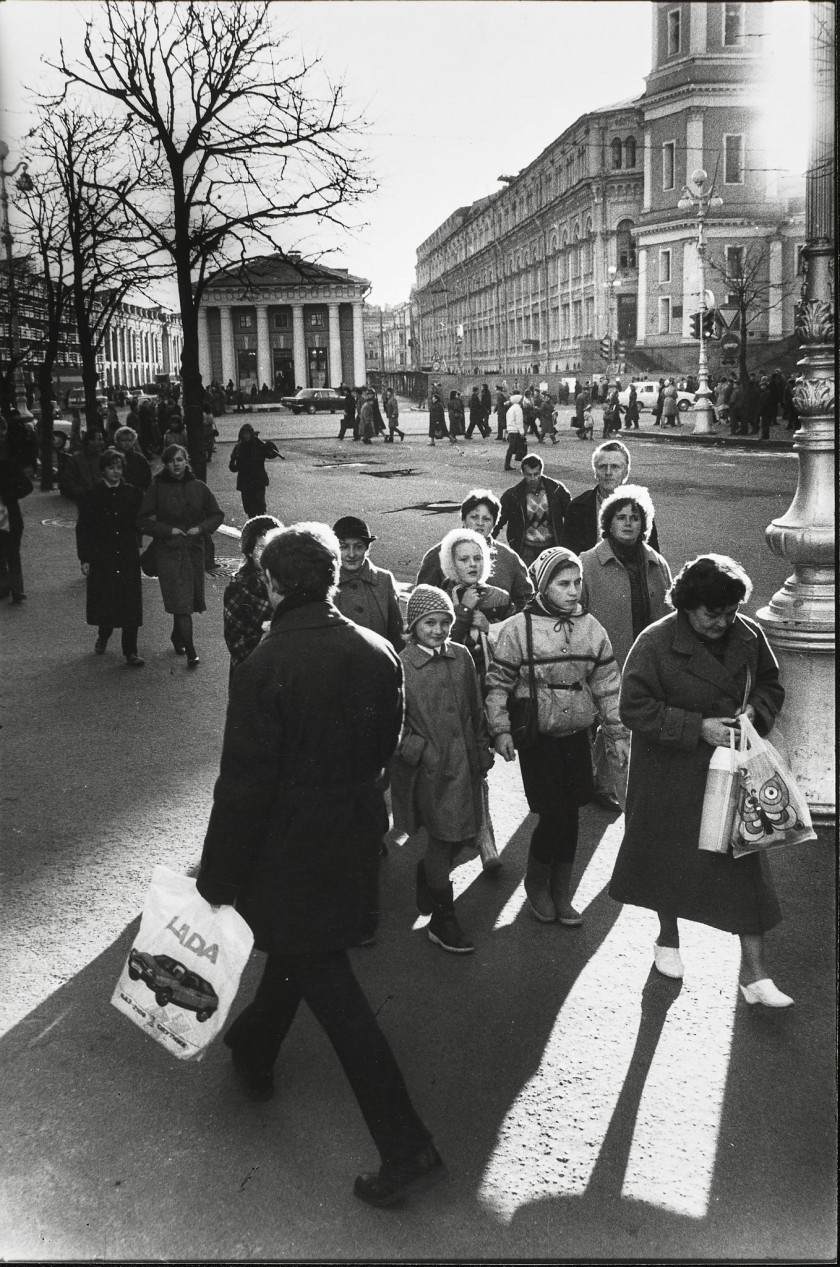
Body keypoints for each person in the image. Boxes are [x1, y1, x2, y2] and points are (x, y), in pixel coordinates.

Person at [196, 524, 445, 1208]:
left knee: (330, 985)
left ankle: (406, 1144)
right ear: (332, 577)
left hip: (286, 850)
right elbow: (381, 746)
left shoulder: (262, 665)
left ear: (273, 584)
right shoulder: (376, 651)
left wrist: (216, 879)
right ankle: (253, 1046)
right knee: (306, 954)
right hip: (351, 836)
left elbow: (243, 785)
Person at [608, 555, 792, 1006]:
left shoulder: (748, 634)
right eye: (712, 613)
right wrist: (696, 728)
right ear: (688, 605)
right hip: (671, 776)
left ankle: (755, 975)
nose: (722, 622)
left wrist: (756, 712)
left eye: (730, 612)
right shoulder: (655, 642)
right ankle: (667, 940)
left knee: (745, 866)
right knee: (669, 863)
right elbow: (632, 707)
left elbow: (771, 684)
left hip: (733, 774)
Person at [486, 548, 629, 925]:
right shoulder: (519, 628)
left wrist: (616, 733)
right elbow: (498, 683)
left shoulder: (591, 627)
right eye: (562, 584)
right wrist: (500, 729)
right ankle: (536, 885)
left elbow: (607, 684)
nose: (573, 591)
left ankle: (561, 891)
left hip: (576, 735)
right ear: (542, 585)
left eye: (577, 583)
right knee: (553, 813)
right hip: (538, 736)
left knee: (573, 815)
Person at [390, 584, 494, 953]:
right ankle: (443, 920)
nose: (437, 629)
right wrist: (419, 750)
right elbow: (391, 723)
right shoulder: (401, 664)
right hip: (431, 772)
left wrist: (482, 748)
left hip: (466, 764)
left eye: (444, 622)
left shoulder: (462, 656)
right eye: (429, 622)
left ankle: (428, 876)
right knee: (443, 838)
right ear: (413, 625)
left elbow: (476, 706)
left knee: (465, 836)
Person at [580, 484, 672, 810]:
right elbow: (576, 614)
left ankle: (600, 777)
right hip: (606, 658)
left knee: (627, 720)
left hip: (645, 655)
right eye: (621, 516)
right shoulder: (589, 563)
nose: (629, 523)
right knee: (613, 719)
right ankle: (606, 784)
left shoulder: (655, 562)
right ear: (609, 521)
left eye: (635, 517)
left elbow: (668, 612)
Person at [137, 444, 224, 667]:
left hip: (194, 551)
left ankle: (178, 637)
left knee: (186, 601)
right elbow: (142, 519)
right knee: (181, 602)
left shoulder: (199, 487)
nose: (176, 464)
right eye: (171, 461)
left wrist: (201, 528)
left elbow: (216, 515)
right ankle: (191, 651)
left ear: (187, 462)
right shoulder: (157, 487)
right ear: (165, 464)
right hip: (168, 551)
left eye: (180, 460)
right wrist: (167, 530)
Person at [76, 450, 145, 666]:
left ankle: (130, 651)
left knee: (129, 601)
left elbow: (141, 520)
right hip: (102, 554)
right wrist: (85, 558)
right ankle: (104, 633)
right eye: (111, 467)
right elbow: (83, 529)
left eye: (119, 467)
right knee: (106, 598)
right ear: (103, 470)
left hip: (126, 553)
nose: (116, 472)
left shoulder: (132, 493)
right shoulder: (92, 496)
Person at [416, 488, 534, 612]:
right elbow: (422, 602)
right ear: (463, 519)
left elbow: (525, 604)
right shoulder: (438, 554)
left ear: (494, 523)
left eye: (486, 519)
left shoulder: (509, 558)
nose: (480, 523)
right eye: (474, 517)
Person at [560, 440, 660, 556]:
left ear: (626, 472)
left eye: (615, 467)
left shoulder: (641, 506)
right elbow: (568, 557)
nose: (608, 472)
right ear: (595, 472)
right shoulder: (577, 507)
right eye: (602, 467)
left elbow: (653, 556)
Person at [438, 527, 513, 683]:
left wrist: (489, 628)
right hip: (455, 679)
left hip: (492, 678)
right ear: (451, 563)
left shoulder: (500, 597)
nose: (473, 564)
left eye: (478, 558)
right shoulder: (442, 598)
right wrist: (464, 610)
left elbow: (516, 641)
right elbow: (442, 644)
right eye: (464, 559)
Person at [223, 513, 284, 674]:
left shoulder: (292, 581)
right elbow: (236, 643)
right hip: (253, 673)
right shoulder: (239, 588)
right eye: (262, 547)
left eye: (274, 546)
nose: (269, 553)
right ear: (249, 551)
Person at [332, 516, 404, 651]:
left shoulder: (384, 580)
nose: (351, 554)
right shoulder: (326, 581)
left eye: (358, 547)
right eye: (344, 547)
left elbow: (396, 633)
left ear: (367, 548)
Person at [495, 454, 571, 566]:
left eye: (536, 474)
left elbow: (572, 516)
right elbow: (498, 520)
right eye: (528, 475)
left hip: (551, 547)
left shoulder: (557, 490)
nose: (533, 478)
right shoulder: (512, 495)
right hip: (525, 549)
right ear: (523, 473)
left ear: (541, 471)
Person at [0, 443, 33, 604]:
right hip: (11, 514)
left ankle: (11, 588)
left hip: (10, 515)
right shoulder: (11, 464)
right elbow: (27, 486)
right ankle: (13, 588)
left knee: (11, 552)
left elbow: (27, 486)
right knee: (12, 553)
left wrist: (8, 497)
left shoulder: (10, 465)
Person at [229, 423, 282, 516]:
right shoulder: (238, 448)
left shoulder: (259, 446)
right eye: (243, 434)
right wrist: (233, 458)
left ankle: (261, 526)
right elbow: (233, 468)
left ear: (251, 434)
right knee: (250, 509)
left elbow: (272, 455)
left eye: (247, 434)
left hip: (258, 481)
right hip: (245, 482)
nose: (245, 436)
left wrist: (270, 445)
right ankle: (253, 527)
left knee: (260, 507)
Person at [58, 429, 105, 502]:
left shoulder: (104, 459)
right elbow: (68, 482)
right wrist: (83, 495)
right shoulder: (74, 461)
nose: (102, 442)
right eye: (99, 439)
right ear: (90, 441)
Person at [113, 426, 152, 493]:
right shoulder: (113, 458)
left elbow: (147, 480)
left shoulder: (140, 459)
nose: (127, 443)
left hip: (137, 494)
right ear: (118, 441)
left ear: (133, 441)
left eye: (130, 440)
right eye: (123, 440)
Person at [502, 392, 526, 471]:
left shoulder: (511, 409)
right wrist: (522, 432)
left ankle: (507, 464)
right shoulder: (518, 409)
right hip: (515, 430)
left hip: (510, 430)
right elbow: (519, 422)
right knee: (519, 448)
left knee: (512, 448)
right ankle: (508, 465)